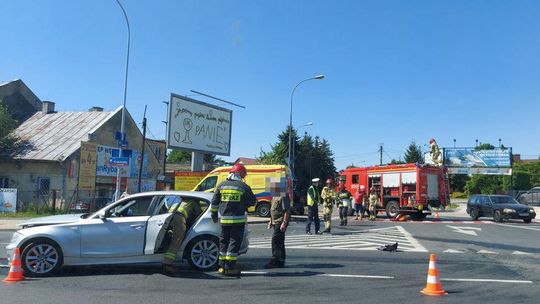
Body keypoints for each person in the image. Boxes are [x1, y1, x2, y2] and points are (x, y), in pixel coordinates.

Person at [211, 162, 256, 276]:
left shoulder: (221, 185)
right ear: (240, 174)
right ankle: (229, 268)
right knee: (233, 243)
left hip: (224, 221)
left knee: (223, 242)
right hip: (238, 221)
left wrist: (214, 216)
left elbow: (214, 203)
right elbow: (252, 201)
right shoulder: (243, 186)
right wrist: (243, 204)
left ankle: (221, 267)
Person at [163, 197, 203, 272]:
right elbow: (199, 215)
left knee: (170, 237)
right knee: (177, 239)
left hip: (168, 216)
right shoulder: (194, 202)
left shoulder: (179, 201)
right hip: (179, 216)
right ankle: (168, 264)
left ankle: (171, 234)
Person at [264, 181, 292, 268]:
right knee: (280, 241)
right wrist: (270, 221)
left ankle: (275, 259)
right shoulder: (274, 196)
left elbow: (287, 210)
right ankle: (281, 259)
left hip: (280, 222)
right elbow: (273, 209)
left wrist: (284, 222)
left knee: (275, 240)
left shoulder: (283, 196)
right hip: (275, 221)